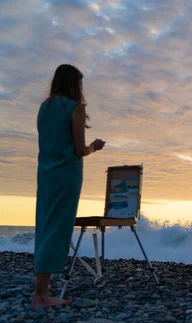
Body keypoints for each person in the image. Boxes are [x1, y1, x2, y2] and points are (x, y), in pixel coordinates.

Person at [33, 64, 105, 307]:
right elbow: (79, 149)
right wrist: (95, 146)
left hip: (45, 174)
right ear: (74, 84)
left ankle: (42, 288)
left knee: (45, 226)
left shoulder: (45, 107)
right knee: (58, 229)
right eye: (80, 84)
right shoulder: (74, 108)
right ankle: (41, 296)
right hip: (66, 175)